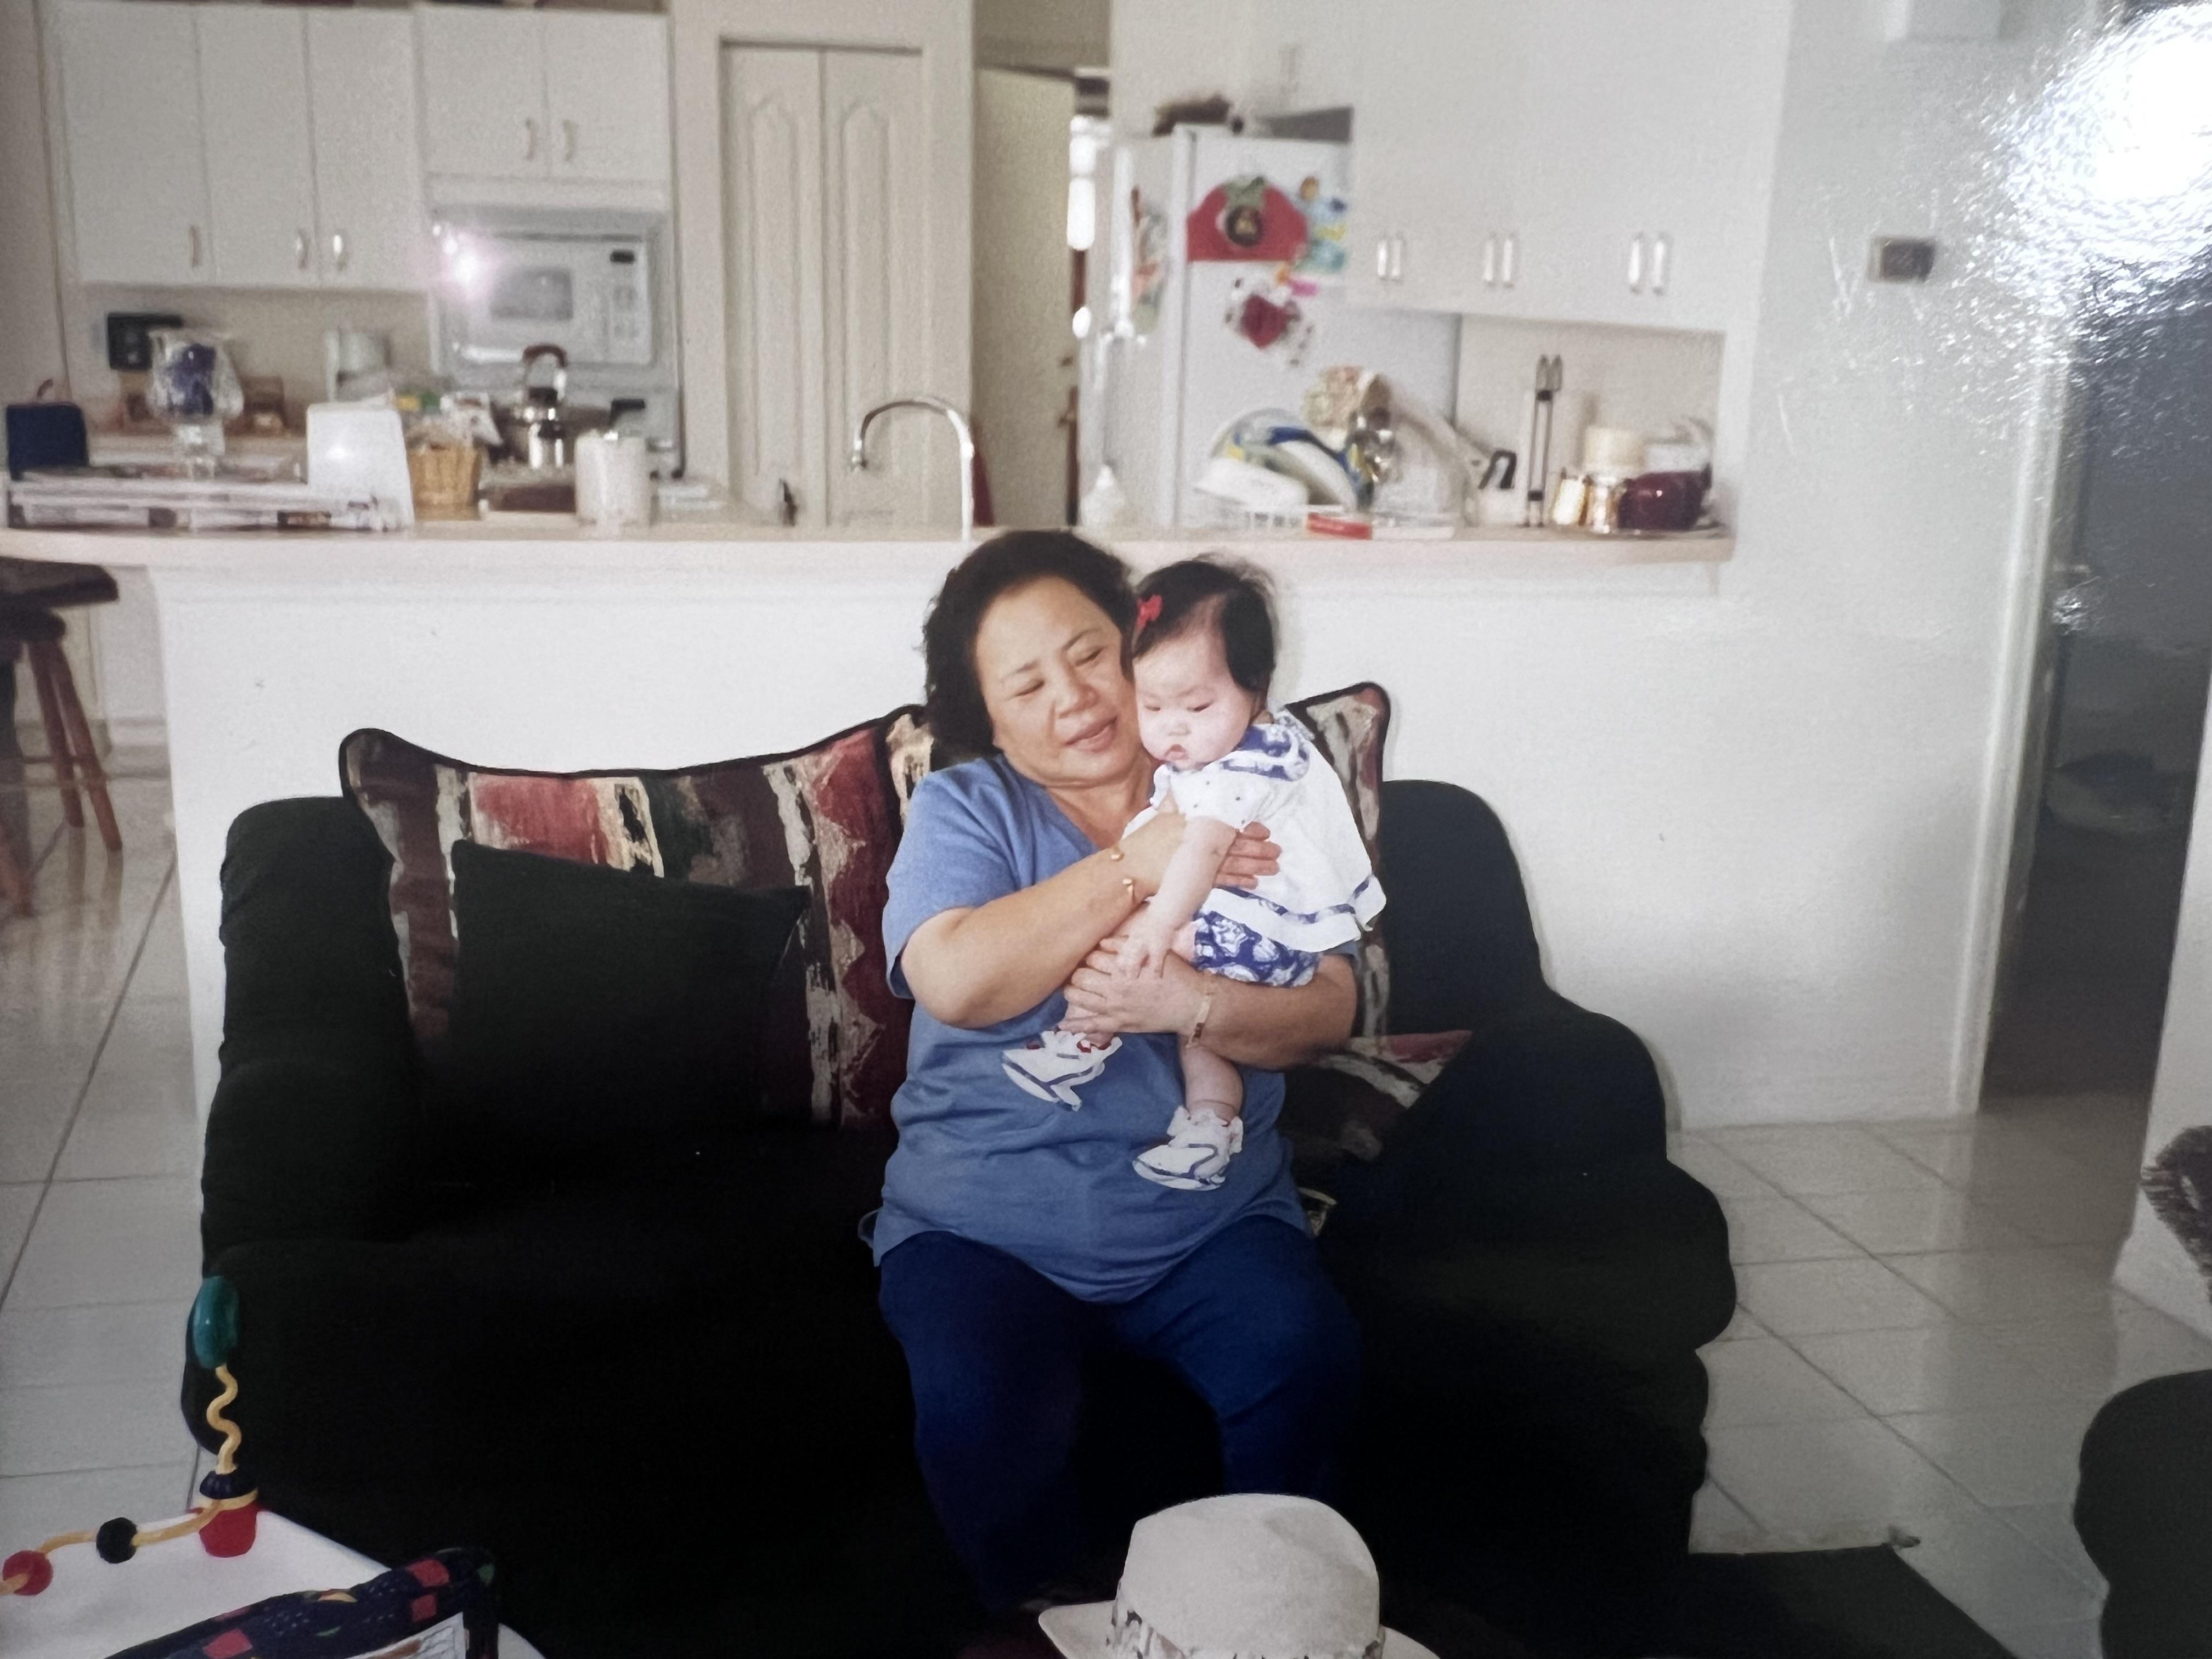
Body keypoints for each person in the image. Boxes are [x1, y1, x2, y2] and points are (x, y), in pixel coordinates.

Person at [867, 531, 1363, 1618]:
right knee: (980, 1400)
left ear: (1138, 646)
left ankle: (1263, 1627)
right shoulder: (969, 810)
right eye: (1026, 683)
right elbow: (953, 978)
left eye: (1089, 655)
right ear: (985, 714)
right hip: (982, 1230)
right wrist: (1138, 864)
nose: (1074, 700)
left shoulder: (1247, 782)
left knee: (1303, 1357)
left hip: (1210, 1226)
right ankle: (1046, 1629)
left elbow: (1334, 1005)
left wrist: (1195, 1008)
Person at [1002, 557, 1383, 1191]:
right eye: (1152, 705)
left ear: (1257, 686)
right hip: (1263, 942)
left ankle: (1081, 1044)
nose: (1173, 727)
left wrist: (1156, 925)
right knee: (1200, 1040)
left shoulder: (1236, 774)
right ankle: (1208, 1130)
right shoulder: (1264, 741)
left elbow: (1200, 854)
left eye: (1198, 705)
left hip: (1255, 938)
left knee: (1119, 941)